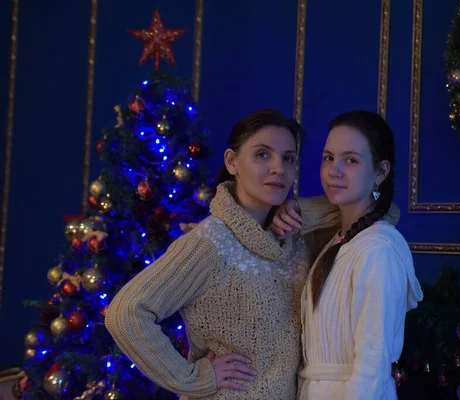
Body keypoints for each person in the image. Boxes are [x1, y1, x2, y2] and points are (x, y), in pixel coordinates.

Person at [105, 109, 339, 399]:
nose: (279, 168)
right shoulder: (210, 242)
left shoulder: (296, 239)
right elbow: (125, 312)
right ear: (232, 162)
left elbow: (375, 208)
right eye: (263, 155)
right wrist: (192, 379)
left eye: (288, 158)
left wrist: (302, 210)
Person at [273, 111, 423, 399]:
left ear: (380, 172)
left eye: (351, 160)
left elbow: (372, 365)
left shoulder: (379, 249)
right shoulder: (337, 242)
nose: (334, 171)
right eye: (328, 157)